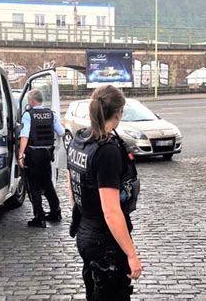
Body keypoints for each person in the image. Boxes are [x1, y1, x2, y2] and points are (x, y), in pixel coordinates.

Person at [67, 85, 142, 300]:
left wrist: (84, 209)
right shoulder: (106, 151)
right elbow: (111, 211)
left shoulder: (80, 139)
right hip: (105, 243)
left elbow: (71, 183)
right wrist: (132, 254)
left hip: (85, 232)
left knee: (94, 292)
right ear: (119, 112)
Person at [18, 88, 65, 228]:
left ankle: (39, 217)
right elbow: (61, 132)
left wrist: (21, 155)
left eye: (28, 99)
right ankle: (56, 212)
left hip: (33, 155)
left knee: (35, 186)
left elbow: (24, 136)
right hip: (47, 154)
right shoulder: (51, 114)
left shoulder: (28, 115)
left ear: (32, 100)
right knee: (48, 183)